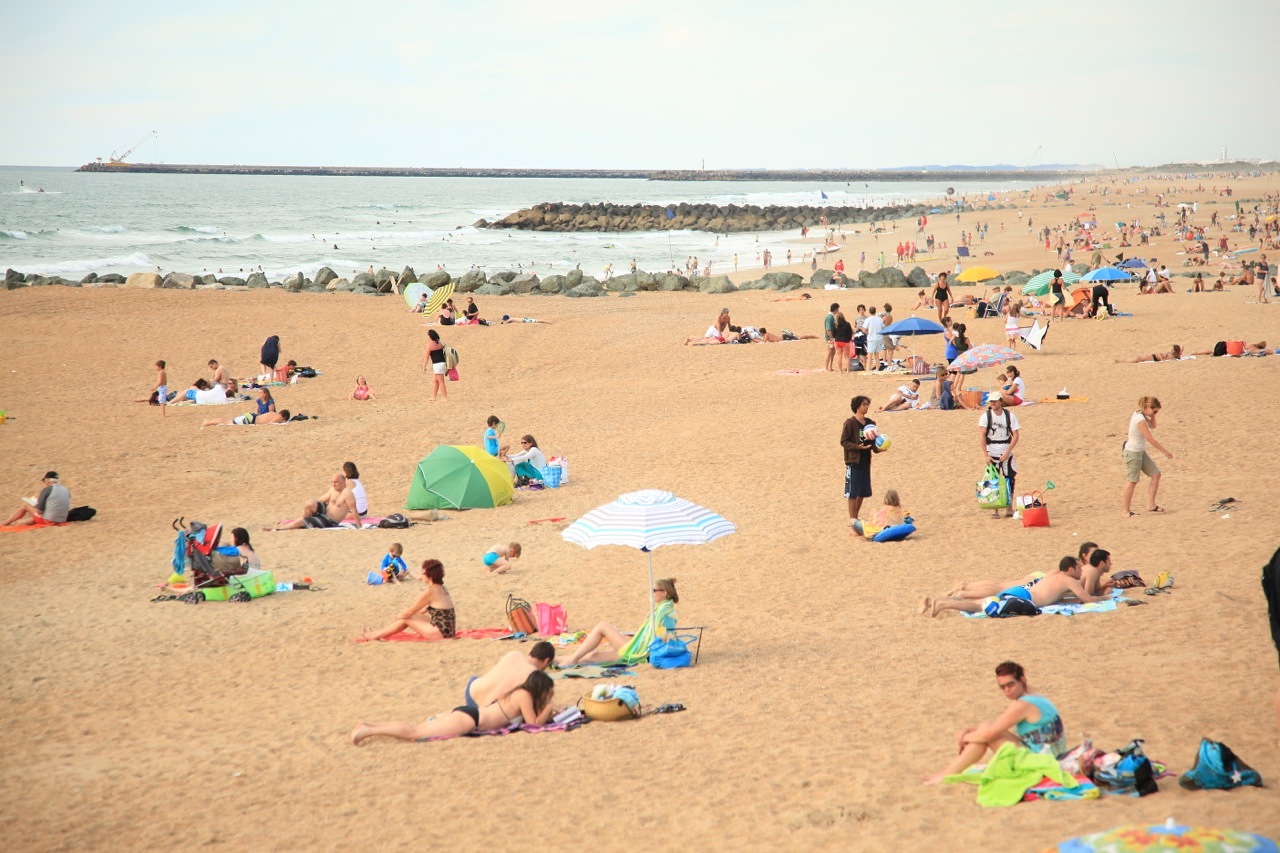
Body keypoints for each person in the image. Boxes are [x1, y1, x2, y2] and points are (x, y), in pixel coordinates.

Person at [921, 662, 1067, 784]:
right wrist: (971, 731)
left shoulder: (1022, 705)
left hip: (1041, 761)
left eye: (1010, 685)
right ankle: (947, 773)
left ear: (1022, 679)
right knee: (985, 727)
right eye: (1002, 687)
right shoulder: (1035, 696)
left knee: (987, 733)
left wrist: (963, 738)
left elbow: (990, 734)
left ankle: (945, 775)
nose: (1007, 690)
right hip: (1050, 754)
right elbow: (996, 726)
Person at [350, 670, 556, 746]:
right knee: (415, 734)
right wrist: (548, 708)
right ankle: (369, 731)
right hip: (470, 720)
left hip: (469, 714)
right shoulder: (524, 695)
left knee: (415, 729)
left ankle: (370, 725)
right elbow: (533, 725)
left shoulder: (517, 692)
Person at [923, 557, 1104, 617]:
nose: (1081, 570)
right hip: (1023, 598)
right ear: (1071, 569)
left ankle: (939, 601)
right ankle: (941, 605)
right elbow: (1087, 599)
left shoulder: (1054, 574)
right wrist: (1104, 597)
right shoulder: (1069, 580)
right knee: (979, 605)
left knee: (980, 602)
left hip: (1022, 593)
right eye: (1079, 567)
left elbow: (1059, 596)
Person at [560, 578, 680, 667]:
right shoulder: (663, 609)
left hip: (640, 652)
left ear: (664, 593)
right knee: (592, 656)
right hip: (638, 646)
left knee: (602, 627)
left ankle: (569, 659)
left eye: (654, 590)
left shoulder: (665, 613)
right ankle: (553, 659)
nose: (651, 593)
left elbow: (666, 638)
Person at [360, 558, 456, 641]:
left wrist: (399, 617)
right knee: (409, 616)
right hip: (449, 630)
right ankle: (379, 633)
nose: (421, 575)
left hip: (440, 633)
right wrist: (414, 618)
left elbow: (409, 612)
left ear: (430, 575)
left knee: (406, 617)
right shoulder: (441, 587)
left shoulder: (430, 592)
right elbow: (427, 608)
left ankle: (376, 635)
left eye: (422, 573)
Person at [464, 642, 557, 709]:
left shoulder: (514, 654)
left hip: (471, 693)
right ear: (546, 661)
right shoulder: (533, 675)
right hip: (488, 710)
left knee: (478, 678)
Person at [1121, 395, 1172, 517]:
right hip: (1133, 453)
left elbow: (1153, 426)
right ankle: (1125, 511)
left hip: (1140, 452)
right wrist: (1165, 452)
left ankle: (1151, 505)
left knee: (1156, 474)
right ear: (1148, 406)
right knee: (1132, 481)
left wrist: (1152, 415)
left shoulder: (1142, 414)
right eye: (1155, 411)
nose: (1155, 413)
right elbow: (1149, 438)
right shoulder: (1140, 419)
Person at [840, 396, 879, 528]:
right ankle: (852, 519)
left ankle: (855, 516)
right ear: (858, 406)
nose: (866, 407)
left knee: (863, 491)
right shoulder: (850, 423)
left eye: (867, 405)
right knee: (852, 492)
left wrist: (878, 449)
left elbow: (872, 441)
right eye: (864, 405)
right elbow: (844, 441)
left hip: (865, 461)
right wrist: (857, 447)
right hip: (853, 461)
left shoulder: (869, 423)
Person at [272, 473, 361, 530]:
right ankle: (308, 519)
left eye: (336, 482)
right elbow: (321, 500)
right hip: (325, 511)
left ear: (343, 482)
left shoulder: (347, 493)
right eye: (332, 482)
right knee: (309, 503)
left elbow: (354, 510)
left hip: (330, 520)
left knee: (301, 521)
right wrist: (313, 507)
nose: (333, 484)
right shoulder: (332, 490)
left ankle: (280, 529)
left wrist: (359, 527)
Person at [979, 395, 1019, 518]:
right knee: (993, 480)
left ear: (1001, 401)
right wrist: (986, 455)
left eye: (995, 401)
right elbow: (982, 435)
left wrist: (1008, 452)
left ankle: (1009, 508)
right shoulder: (986, 416)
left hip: (1006, 449)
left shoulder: (1010, 416)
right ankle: (994, 509)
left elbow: (1016, 435)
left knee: (1010, 479)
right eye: (991, 401)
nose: (993, 403)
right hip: (992, 450)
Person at [4, 471, 71, 526]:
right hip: (62, 519)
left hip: (49, 521)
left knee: (25, 506)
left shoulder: (47, 490)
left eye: (44, 481)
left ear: (47, 480)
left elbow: (38, 511)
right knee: (19, 523)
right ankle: (15, 522)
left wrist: (34, 504)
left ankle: (6, 522)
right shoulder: (66, 490)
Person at [423, 329, 447, 401]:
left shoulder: (430, 345)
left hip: (437, 364)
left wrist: (424, 366)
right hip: (443, 363)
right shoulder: (440, 343)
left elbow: (426, 356)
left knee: (441, 381)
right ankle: (433, 396)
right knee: (435, 381)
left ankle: (444, 397)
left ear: (430, 336)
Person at [201, 409, 290, 427]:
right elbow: (271, 423)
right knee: (228, 423)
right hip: (251, 419)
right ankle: (207, 422)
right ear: (284, 417)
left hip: (251, 416)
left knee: (228, 421)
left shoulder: (273, 413)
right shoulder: (279, 417)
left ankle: (209, 421)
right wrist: (281, 424)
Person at [1114, 344, 1183, 364]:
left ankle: (1121, 361)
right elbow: (1181, 346)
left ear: (1175, 351)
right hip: (1154, 356)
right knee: (1138, 358)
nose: (1171, 350)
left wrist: (1161, 357)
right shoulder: (1171, 354)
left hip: (1154, 357)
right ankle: (1122, 361)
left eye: (1173, 349)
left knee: (1138, 359)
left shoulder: (1171, 356)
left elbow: (1161, 358)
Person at [823, 303, 840, 371]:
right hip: (830, 338)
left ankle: (830, 367)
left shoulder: (832, 316)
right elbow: (828, 329)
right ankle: (827, 367)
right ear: (835, 309)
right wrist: (831, 337)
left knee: (833, 352)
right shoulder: (829, 317)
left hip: (832, 337)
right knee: (830, 352)